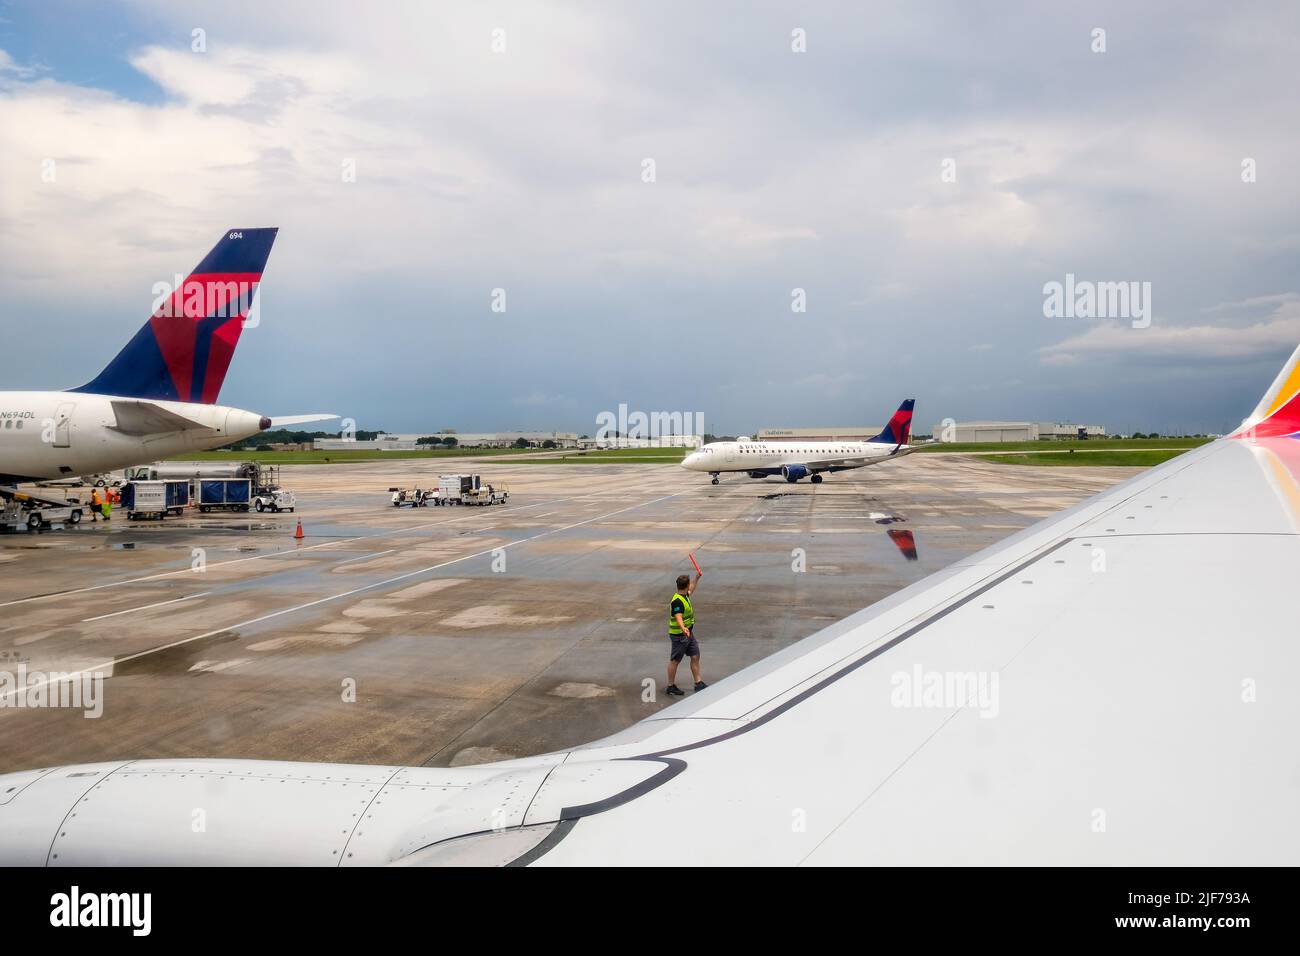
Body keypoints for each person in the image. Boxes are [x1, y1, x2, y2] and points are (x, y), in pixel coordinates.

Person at [666, 570, 707, 697]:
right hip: (679, 636)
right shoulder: (677, 601)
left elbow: (692, 589)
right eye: (690, 583)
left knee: (695, 655)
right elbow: (678, 616)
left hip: (689, 634)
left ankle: (698, 682)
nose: (691, 586)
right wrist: (683, 627)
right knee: (675, 660)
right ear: (686, 585)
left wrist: (697, 578)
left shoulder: (685, 595)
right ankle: (670, 686)